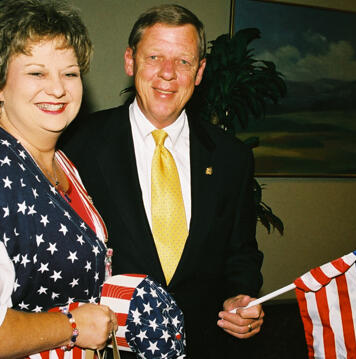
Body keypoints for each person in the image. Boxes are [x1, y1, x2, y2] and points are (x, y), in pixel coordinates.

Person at [61, 4, 264, 358]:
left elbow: (241, 253)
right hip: (109, 349)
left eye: (183, 61)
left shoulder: (232, 158)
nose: (167, 74)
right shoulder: (76, 147)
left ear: (199, 72)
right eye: (154, 56)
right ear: (130, 61)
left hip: (204, 345)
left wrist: (241, 296)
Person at [0, 0, 118, 357]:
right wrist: (73, 327)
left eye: (70, 73)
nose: (58, 89)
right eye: (37, 73)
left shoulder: (62, 163)